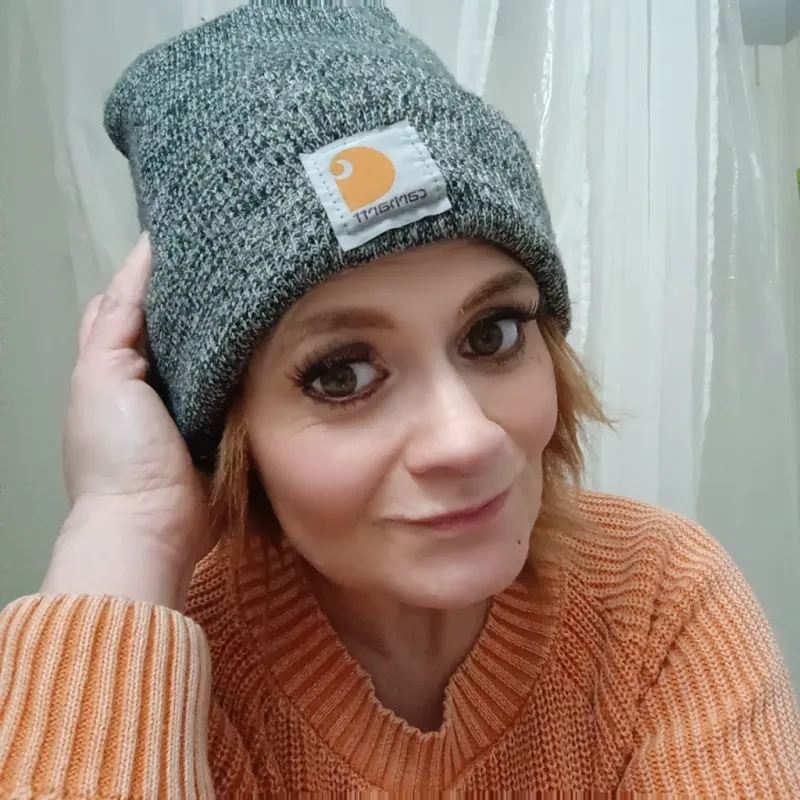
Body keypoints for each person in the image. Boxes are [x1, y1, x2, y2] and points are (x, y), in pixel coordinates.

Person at [0, 4, 798, 797]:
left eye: (492, 334)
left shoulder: (654, 599)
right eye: (341, 375)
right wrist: (127, 523)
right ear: (229, 432)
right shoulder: (162, 668)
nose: (467, 439)